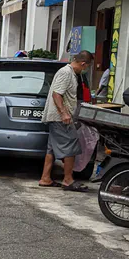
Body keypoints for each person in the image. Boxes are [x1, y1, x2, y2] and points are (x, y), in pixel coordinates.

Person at [38, 50, 93, 192]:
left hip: (57, 117)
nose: (85, 69)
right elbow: (57, 94)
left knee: (52, 148)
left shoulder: (71, 73)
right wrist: (64, 113)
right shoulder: (66, 73)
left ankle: (45, 178)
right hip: (60, 118)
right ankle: (68, 180)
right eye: (86, 67)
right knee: (71, 145)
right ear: (83, 63)